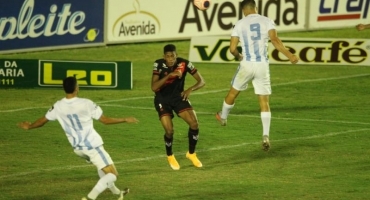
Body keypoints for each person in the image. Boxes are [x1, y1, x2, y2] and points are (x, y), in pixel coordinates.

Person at [18, 76, 139, 200]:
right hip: (92, 146)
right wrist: (124, 119)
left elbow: (43, 121)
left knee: (101, 166)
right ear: (76, 88)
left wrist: (30, 126)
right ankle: (90, 197)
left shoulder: (58, 106)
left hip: (78, 149)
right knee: (113, 174)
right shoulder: (86, 103)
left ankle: (116, 192)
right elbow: (105, 120)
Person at [215, 0, 299, 151]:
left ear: (243, 11)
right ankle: (265, 135)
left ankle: (223, 117)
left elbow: (232, 48)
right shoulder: (267, 21)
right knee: (264, 102)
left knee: (233, 93)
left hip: (246, 64)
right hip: (262, 66)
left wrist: (238, 56)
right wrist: (290, 55)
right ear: (256, 8)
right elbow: (275, 40)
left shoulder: (239, 24)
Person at [151, 44, 205, 170]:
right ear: (164, 56)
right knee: (169, 131)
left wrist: (190, 89)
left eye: (173, 56)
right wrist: (169, 75)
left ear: (176, 55)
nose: (171, 59)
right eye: (168, 56)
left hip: (178, 97)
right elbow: (154, 87)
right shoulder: (158, 64)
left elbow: (201, 81)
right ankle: (170, 155)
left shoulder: (184, 63)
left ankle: (191, 154)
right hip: (162, 99)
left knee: (194, 124)